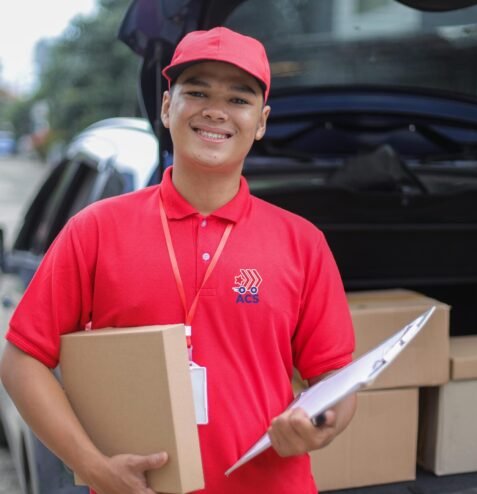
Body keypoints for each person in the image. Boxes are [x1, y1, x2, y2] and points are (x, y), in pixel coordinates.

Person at [0, 27, 356, 494]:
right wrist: (91, 465)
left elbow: (335, 375)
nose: (215, 110)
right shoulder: (95, 230)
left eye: (238, 99)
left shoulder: (302, 242)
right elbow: (22, 358)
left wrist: (321, 421)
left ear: (262, 121)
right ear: (168, 107)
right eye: (198, 92)